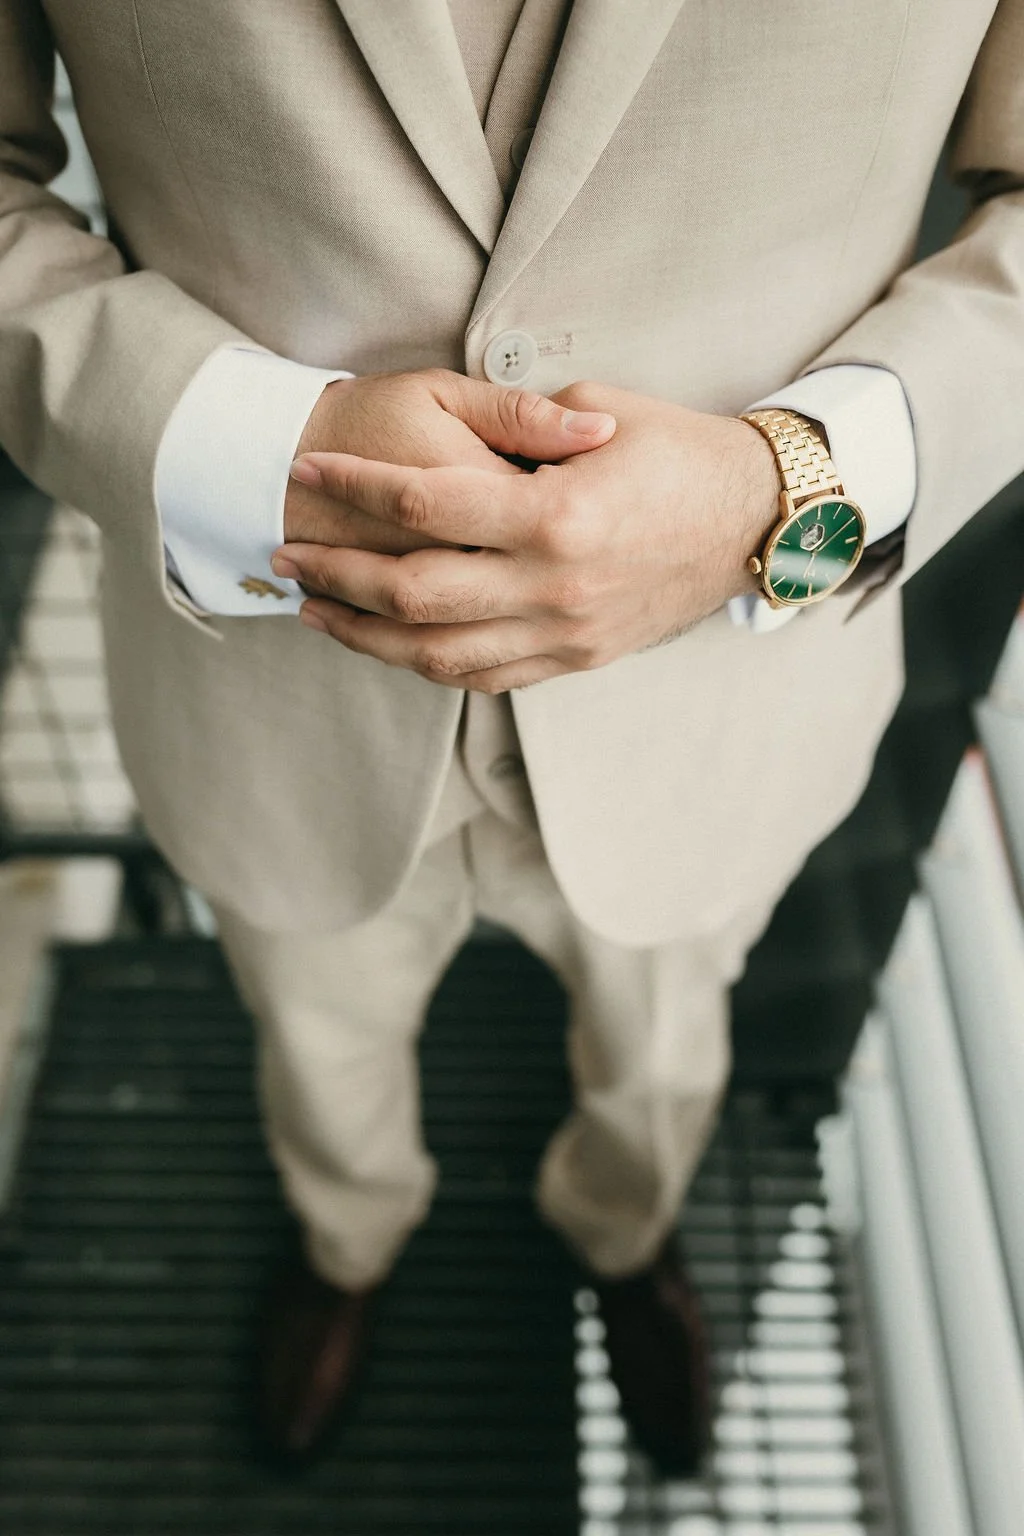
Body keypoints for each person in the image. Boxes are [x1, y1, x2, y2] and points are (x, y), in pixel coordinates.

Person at [1, 0, 1021, 1474]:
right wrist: (219, 442)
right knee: (315, 1037)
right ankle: (349, 1240)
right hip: (272, 684)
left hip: (710, 699)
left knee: (663, 1053)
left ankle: (626, 1234)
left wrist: (780, 489)